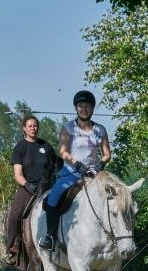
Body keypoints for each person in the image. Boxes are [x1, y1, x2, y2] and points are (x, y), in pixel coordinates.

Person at [38, 90, 112, 250]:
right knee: (53, 198)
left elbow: (107, 154)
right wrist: (77, 164)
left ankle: (123, 235)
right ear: (76, 108)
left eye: (87, 106)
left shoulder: (100, 129)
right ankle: (50, 236)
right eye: (80, 106)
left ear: (92, 109)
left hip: (94, 174)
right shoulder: (68, 127)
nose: (83, 109)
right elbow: (63, 151)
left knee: (117, 195)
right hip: (71, 173)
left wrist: (100, 164)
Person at [6, 114, 58, 263]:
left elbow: (57, 164)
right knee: (14, 216)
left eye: (35, 126)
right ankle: (12, 249)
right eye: (30, 126)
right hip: (28, 187)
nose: (33, 128)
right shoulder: (20, 148)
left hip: (48, 187)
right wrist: (27, 185)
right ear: (24, 128)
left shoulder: (46, 146)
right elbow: (17, 174)